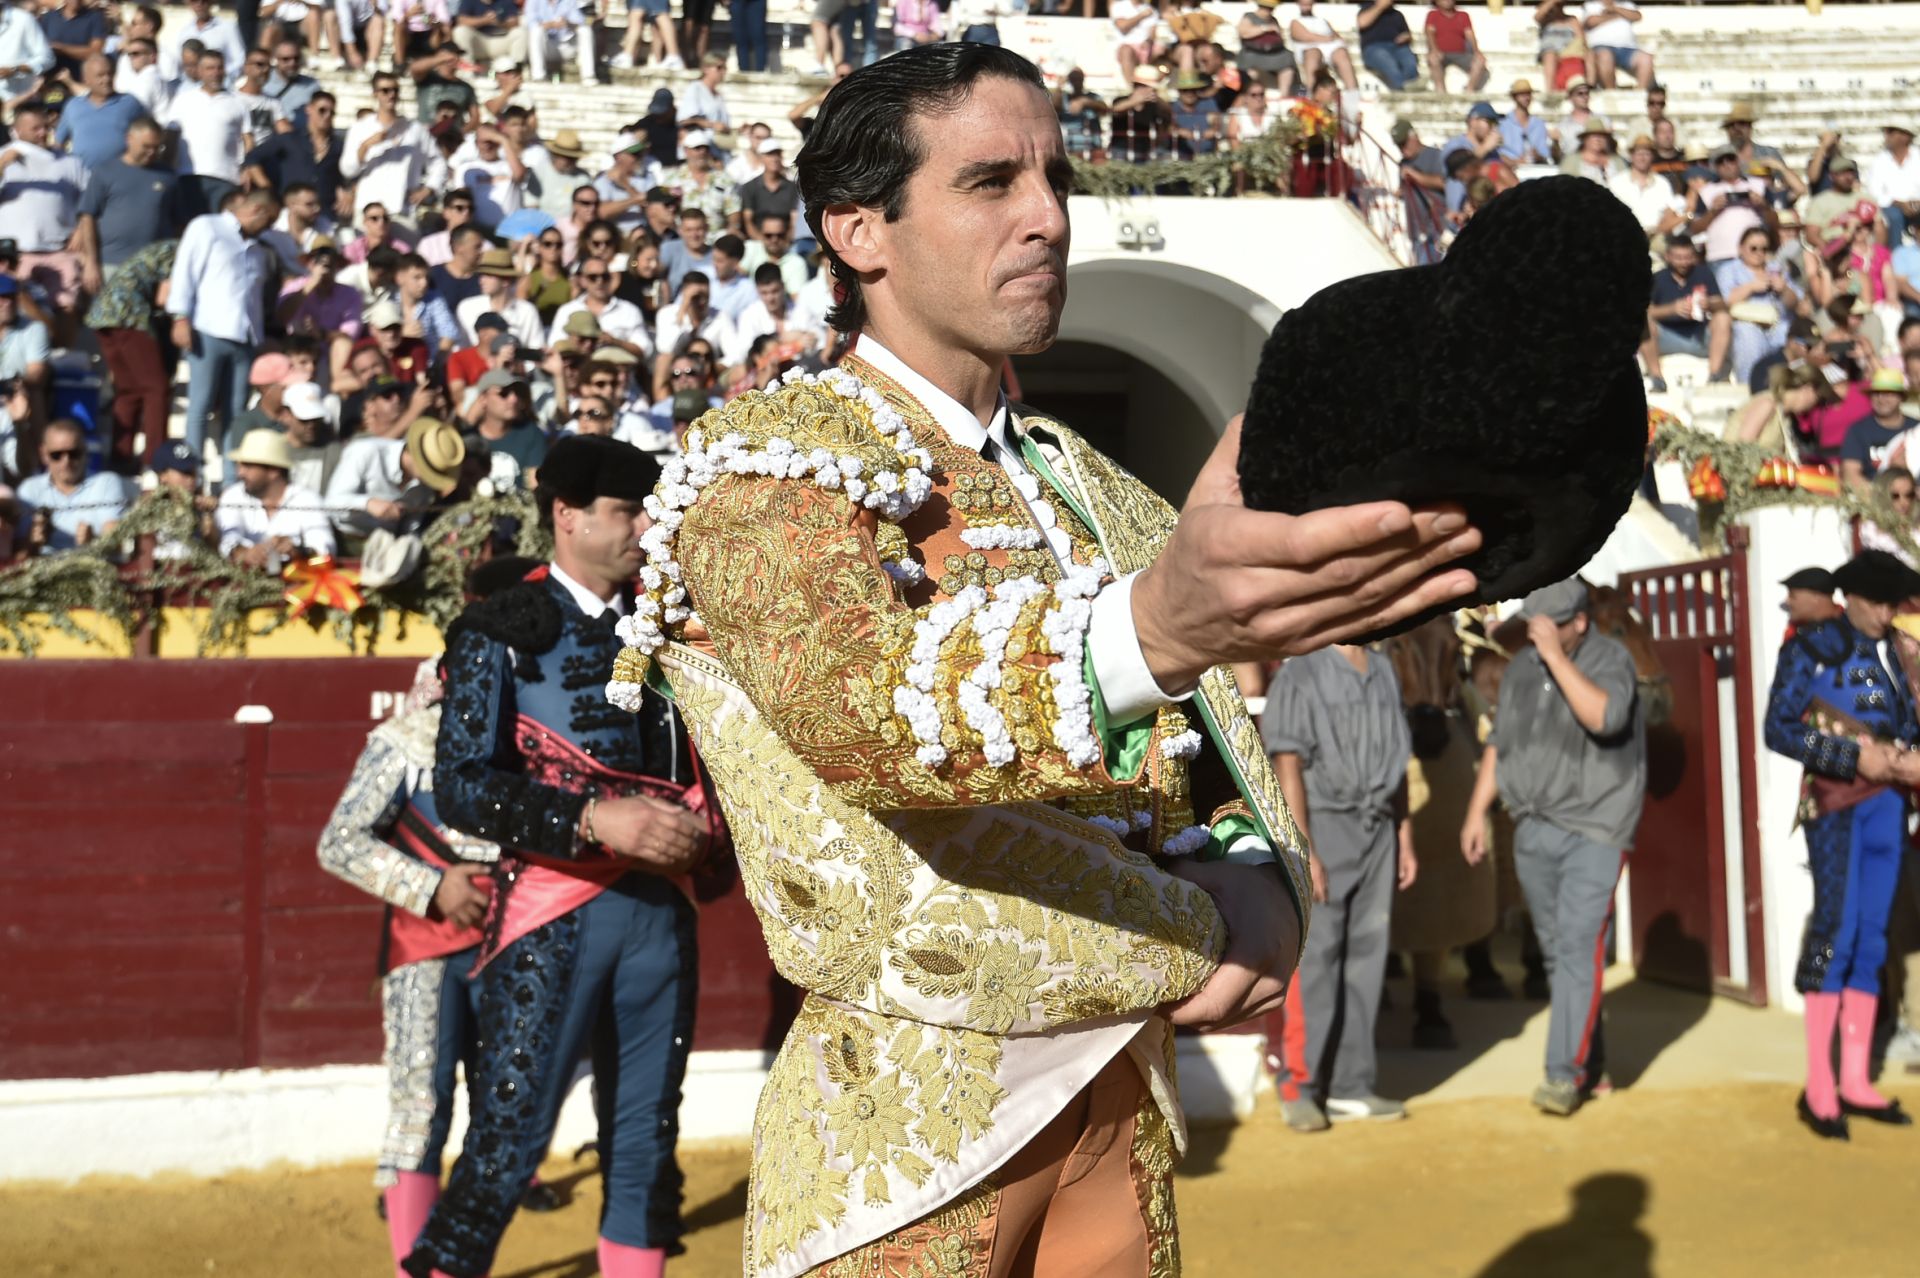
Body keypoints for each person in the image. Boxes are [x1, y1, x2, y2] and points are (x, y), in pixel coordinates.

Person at [607, 43, 1483, 1276]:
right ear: (860, 231)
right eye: (991, 182)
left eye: (1056, 177)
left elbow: (1218, 750)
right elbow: (871, 721)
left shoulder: (1091, 486)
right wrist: (1162, 635)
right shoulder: (763, 466)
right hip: (904, 1128)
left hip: (1123, 1101)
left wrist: (1264, 886)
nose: (1049, 218)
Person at [401, 436, 713, 1278]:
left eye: (649, 511)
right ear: (566, 516)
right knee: (508, 1141)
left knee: (647, 1140)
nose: (646, 529)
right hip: (551, 909)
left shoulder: (674, 627)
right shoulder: (501, 628)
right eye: (625, 512)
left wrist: (703, 828)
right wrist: (593, 819)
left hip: (661, 914)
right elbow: (464, 787)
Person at [1461, 580, 1644, 1117]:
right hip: (1533, 826)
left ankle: (1562, 1074)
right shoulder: (1520, 669)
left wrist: (1551, 657)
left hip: (1596, 826)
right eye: (1533, 622)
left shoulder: (1611, 659)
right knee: (1560, 950)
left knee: (1578, 945)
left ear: (1577, 624)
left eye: (1549, 624)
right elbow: (1500, 742)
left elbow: (1604, 716)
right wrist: (1477, 811)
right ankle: (1591, 1061)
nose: (1536, 630)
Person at [1763, 549, 1920, 1140]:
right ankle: (1819, 1085)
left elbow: (1909, 724)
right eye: (1877, 602)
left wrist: (1906, 759)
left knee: (1873, 936)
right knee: (1835, 932)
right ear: (1850, 599)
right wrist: (1855, 755)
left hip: (1888, 810)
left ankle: (1855, 1078)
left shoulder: (1900, 653)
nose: (1885, 613)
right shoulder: (1810, 648)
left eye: (1891, 603)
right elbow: (1778, 727)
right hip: (1835, 806)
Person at [1263, 642, 1417, 1130]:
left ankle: (1352, 1084)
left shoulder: (1385, 668)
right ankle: (1299, 1085)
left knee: (1369, 956)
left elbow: (1399, 763)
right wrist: (1303, 846)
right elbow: (1287, 761)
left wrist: (1405, 836)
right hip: (1325, 825)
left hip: (1380, 830)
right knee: (1319, 958)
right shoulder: (1300, 672)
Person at [168, 188, 279, 462]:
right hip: (208, 330)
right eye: (268, 221)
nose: (268, 229)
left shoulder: (257, 248)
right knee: (200, 404)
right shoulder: (207, 226)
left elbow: (254, 297)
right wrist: (180, 316)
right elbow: (185, 272)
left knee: (237, 410)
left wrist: (259, 338)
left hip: (245, 337)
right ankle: (191, 472)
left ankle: (232, 481)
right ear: (257, 211)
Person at [85, 237, 177, 474]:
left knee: (129, 391)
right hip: (129, 315)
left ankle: (121, 457)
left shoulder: (163, 246)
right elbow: (164, 298)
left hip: (102, 315)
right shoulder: (179, 251)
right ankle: (156, 459)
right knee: (157, 388)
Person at [217, 426, 337, 567]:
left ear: (273, 471)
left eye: (247, 466)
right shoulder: (233, 495)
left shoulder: (307, 499)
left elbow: (325, 548)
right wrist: (244, 553)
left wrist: (298, 551)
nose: (240, 473)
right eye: (239, 466)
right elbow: (227, 540)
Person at [15, 418, 130, 553]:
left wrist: (93, 541)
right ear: (44, 454)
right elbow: (16, 552)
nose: (66, 461)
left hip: (93, 567)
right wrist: (32, 543)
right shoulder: (29, 490)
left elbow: (116, 543)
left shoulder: (106, 483)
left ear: (85, 451)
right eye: (56, 455)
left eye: (74, 454)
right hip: (42, 570)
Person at [340, 73, 432, 227]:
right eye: (385, 90)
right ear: (375, 93)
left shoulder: (415, 129)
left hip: (403, 209)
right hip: (368, 210)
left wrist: (429, 188)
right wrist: (366, 145)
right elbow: (348, 170)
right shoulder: (360, 128)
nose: (391, 95)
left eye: (395, 90)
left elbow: (437, 162)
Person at [1641, 236, 1731, 392]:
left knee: (1723, 318)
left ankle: (1715, 376)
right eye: (1678, 258)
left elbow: (1722, 304)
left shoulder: (1704, 274)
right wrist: (1672, 309)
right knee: (1643, 322)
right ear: (1668, 257)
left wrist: (1708, 304)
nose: (1683, 262)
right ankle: (1657, 379)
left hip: (1699, 336)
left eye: (1687, 257)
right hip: (1667, 337)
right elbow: (1647, 310)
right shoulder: (1658, 278)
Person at [1839, 368, 1918, 492]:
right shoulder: (1858, 431)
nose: (1881, 399)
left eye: (1888, 393)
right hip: (1873, 501)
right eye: (1876, 393)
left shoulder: (1916, 429)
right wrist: (1880, 499)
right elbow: (1850, 475)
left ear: (1901, 397)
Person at [1582, 0, 1651, 90]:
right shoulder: (1591, 5)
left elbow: (1637, 16)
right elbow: (1591, 21)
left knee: (1646, 59)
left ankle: (1641, 93)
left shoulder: (1627, 4)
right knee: (1605, 56)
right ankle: (1611, 91)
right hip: (1602, 47)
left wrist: (1615, 9)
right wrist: (1619, 14)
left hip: (1628, 48)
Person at [1291, 0, 1356, 91]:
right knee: (1312, 55)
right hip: (1309, 48)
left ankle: (1352, 92)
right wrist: (1327, 39)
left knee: (1342, 54)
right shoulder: (1296, 22)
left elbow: (1335, 35)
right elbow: (1305, 36)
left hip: (1329, 48)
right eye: (1304, 4)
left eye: (1309, 4)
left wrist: (1335, 39)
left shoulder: (1321, 20)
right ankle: (1311, 93)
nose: (1306, 7)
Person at [1424, 0, 1486, 93]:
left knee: (1480, 61)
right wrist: (1434, 50)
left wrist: (1477, 52)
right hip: (1441, 53)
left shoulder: (1463, 15)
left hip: (1461, 54)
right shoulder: (1433, 14)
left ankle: (1469, 89)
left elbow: (1469, 34)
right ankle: (1440, 90)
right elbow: (1429, 33)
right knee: (1433, 59)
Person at [1356, 0, 1416, 93]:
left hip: (1397, 47)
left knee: (1409, 60)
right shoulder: (1367, 8)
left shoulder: (1397, 14)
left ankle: (1410, 86)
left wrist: (1405, 37)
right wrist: (1379, 7)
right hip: (1373, 48)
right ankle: (1401, 90)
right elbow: (1362, 23)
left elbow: (1407, 34)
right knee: (1387, 61)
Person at [1499, 79, 1552, 167]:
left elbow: (1545, 155)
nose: (1527, 97)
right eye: (1522, 94)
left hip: (1534, 170)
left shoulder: (1539, 124)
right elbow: (1498, 153)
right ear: (1514, 97)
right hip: (1509, 169)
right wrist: (1515, 162)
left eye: (1528, 94)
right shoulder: (1503, 123)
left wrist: (1538, 156)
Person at [1778, 566, 1841, 633]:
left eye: (1792, 596)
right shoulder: (1795, 632)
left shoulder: (1849, 628)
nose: (1787, 601)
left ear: (1816, 596)